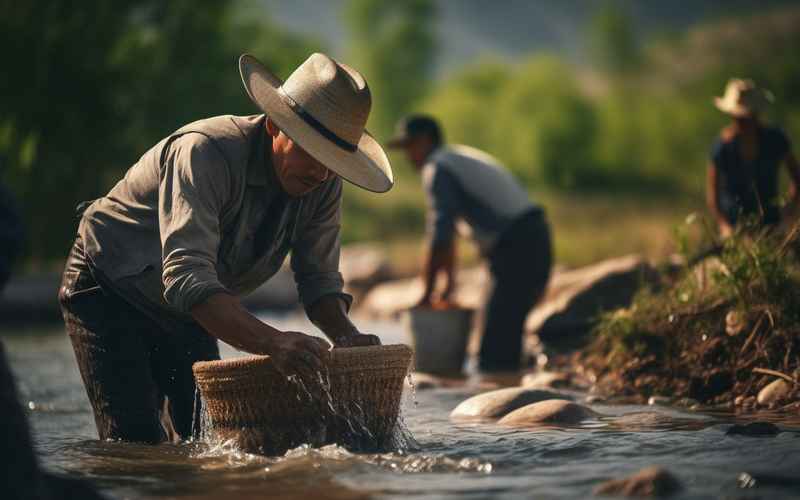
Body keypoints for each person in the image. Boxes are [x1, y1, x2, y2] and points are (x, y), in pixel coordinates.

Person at [58, 53, 394, 443]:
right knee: (136, 441)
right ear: (274, 126)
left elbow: (318, 280)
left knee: (212, 437)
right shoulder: (205, 152)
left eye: (333, 161)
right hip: (109, 283)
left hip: (190, 305)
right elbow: (188, 277)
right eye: (311, 153)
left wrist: (346, 334)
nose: (320, 172)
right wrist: (273, 342)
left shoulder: (322, 183)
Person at [388, 115, 552, 373]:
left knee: (494, 350)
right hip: (529, 239)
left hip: (518, 245)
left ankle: (503, 394)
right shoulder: (454, 158)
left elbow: (439, 234)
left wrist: (426, 293)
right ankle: (511, 381)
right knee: (502, 335)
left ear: (425, 141)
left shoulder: (437, 167)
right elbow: (449, 235)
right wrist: (447, 288)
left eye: (410, 147)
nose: (409, 156)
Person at [707, 78, 800, 237]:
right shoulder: (723, 147)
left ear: (756, 115)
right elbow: (713, 195)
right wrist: (724, 227)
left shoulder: (775, 140)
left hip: (772, 227)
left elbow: (797, 179)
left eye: (745, 118)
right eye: (737, 118)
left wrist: (787, 214)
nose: (741, 122)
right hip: (735, 229)